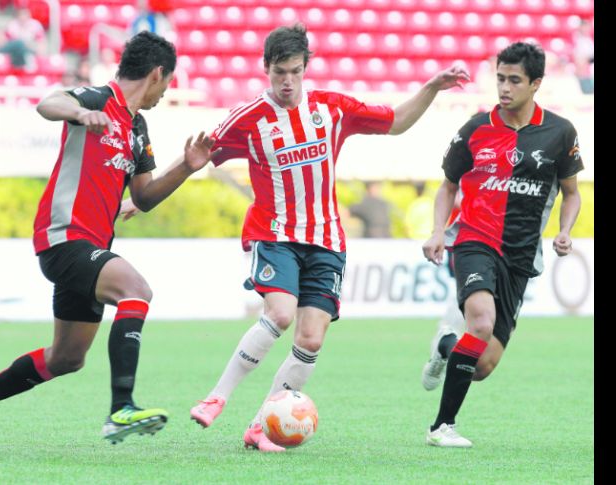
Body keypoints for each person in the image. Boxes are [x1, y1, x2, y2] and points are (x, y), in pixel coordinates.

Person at [186, 24, 469, 452]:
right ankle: (217, 396)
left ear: (306, 68)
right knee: (281, 314)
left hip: (326, 241)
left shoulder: (331, 109)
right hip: (276, 234)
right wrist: (142, 198)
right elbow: (198, 157)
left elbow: (395, 122)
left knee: (311, 339)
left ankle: (261, 427)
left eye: (295, 72)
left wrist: (430, 87)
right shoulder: (248, 119)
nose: (287, 81)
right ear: (266, 69)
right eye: (279, 72)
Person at [0, 31, 220, 454]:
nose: (166, 92)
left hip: (91, 248)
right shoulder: (96, 98)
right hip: (63, 237)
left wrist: (186, 167)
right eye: (168, 83)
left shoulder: (137, 126)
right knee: (136, 290)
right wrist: (78, 112)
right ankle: (121, 408)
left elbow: (144, 196)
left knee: (67, 358)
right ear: (157, 73)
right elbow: (47, 103)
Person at [420, 41, 583, 448]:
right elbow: (448, 186)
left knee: (482, 365)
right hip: (475, 239)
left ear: (536, 83)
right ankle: (441, 427)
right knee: (480, 323)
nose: (504, 88)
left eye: (514, 80)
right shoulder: (476, 128)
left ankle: (444, 345)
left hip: (521, 255)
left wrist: (565, 230)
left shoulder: (560, 132)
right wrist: (438, 230)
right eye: (500, 79)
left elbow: (572, 193)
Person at [420, 188, 465, 391]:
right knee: (464, 294)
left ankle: (446, 342)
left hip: (499, 243)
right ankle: (445, 340)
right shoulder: (465, 175)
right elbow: (452, 196)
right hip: (465, 241)